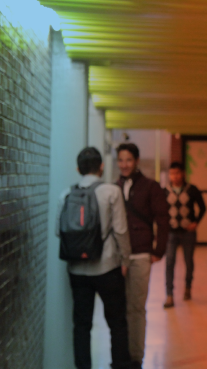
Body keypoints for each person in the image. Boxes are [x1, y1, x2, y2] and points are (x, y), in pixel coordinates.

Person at [57, 147, 133, 369]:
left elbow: (58, 232)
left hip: (77, 270)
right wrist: (125, 260)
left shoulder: (65, 194)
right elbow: (121, 231)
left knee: (81, 325)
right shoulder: (112, 191)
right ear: (101, 167)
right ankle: (120, 364)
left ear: (78, 169)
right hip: (107, 267)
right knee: (117, 323)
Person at [115, 143, 170, 368]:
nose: (124, 164)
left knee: (136, 308)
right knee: (120, 308)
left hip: (140, 255)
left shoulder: (150, 187)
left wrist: (159, 250)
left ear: (136, 161)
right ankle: (122, 355)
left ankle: (136, 357)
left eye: (128, 160)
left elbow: (163, 219)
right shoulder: (114, 187)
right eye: (120, 160)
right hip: (118, 258)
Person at [163, 162, 207, 308]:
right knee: (169, 262)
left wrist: (196, 222)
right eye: (171, 173)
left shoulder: (192, 189)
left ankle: (188, 287)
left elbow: (203, 207)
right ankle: (169, 295)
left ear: (182, 173)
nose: (174, 176)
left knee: (188, 261)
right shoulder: (165, 191)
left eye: (177, 173)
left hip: (188, 232)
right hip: (171, 232)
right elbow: (160, 211)